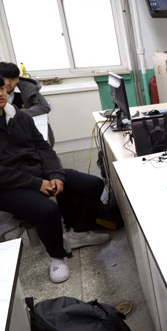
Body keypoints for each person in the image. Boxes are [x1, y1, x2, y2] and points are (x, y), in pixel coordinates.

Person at [0, 77, 110, 283]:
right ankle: (57, 256)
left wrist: (55, 174)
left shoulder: (19, 116)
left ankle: (79, 233)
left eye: (1, 88)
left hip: (38, 173)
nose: (0, 94)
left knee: (92, 185)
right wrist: (36, 184)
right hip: (7, 186)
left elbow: (42, 147)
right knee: (47, 210)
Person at [0, 61, 55, 145]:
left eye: (12, 79)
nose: (7, 83)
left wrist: (17, 114)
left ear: (18, 79)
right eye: (4, 79)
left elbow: (44, 106)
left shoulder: (28, 87)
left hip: (26, 128)